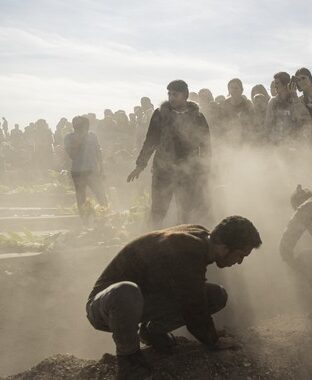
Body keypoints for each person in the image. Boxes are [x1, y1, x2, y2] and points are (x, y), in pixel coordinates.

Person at [86, 217, 262, 380]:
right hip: (106, 306)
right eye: (240, 255)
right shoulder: (189, 249)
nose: (239, 262)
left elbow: (192, 296)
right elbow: (194, 309)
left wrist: (211, 335)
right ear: (224, 248)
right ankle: (129, 359)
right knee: (126, 291)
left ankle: (153, 332)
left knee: (215, 295)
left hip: (142, 300)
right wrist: (213, 340)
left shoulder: (201, 238)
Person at [127, 80, 212, 228]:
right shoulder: (160, 114)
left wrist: (205, 169)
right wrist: (140, 165)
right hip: (163, 169)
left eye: (175, 94)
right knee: (158, 211)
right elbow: (151, 140)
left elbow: (206, 145)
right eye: (169, 94)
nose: (171, 97)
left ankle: (184, 242)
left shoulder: (197, 117)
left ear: (185, 95)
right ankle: (152, 241)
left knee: (186, 211)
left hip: (188, 170)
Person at [64, 116, 108, 218]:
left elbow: (98, 152)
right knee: (81, 197)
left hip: (92, 170)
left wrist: (102, 167)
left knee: (101, 194)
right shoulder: (69, 137)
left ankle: (105, 215)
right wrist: (80, 140)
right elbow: (72, 154)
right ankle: (85, 220)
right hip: (78, 172)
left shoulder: (92, 136)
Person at [264, 72, 312, 144]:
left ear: (285, 85)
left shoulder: (296, 101)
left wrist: (294, 96)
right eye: (274, 83)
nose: (275, 86)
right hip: (276, 144)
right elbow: (268, 125)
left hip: (294, 143)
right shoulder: (273, 102)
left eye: (277, 83)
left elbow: (305, 119)